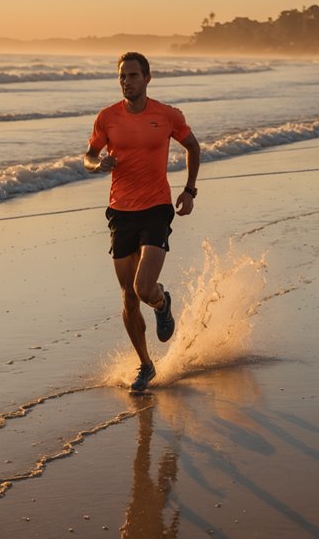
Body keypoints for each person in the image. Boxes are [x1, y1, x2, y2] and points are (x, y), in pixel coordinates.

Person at [84, 52, 200, 392]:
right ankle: (146, 365)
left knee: (143, 288)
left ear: (147, 78)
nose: (127, 82)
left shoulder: (167, 116)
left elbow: (193, 147)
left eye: (133, 76)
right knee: (128, 298)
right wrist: (97, 165)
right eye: (122, 76)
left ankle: (162, 302)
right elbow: (89, 156)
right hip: (120, 212)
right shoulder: (107, 118)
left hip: (156, 208)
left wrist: (190, 190)